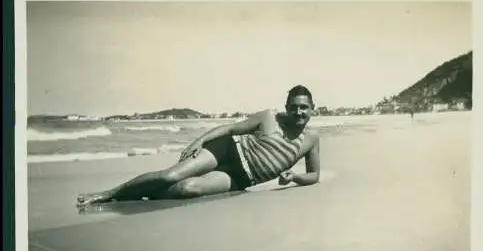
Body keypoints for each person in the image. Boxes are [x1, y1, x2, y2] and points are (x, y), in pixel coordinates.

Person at [76, 85, 321, 208]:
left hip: (240, 177)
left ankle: (136, 197)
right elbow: (231, 129)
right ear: (286, 106)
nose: (298, 112)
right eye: (294, 107)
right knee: (170, 175)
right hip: (226, 150)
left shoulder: (311, 139)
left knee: (187, 188)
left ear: (312, 108)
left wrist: (295, 177)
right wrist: (199, 140)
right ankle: (108, 194)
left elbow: (315, 175)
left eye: (304, 107)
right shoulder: (269, 117)